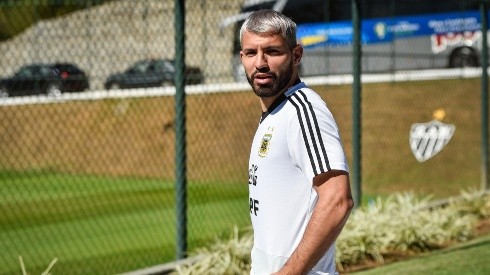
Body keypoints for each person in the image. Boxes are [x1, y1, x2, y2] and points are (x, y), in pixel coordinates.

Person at [240, 9, 354, 275]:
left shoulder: (303, 111)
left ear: (296, 55)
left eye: (273, 51)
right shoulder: (275, 113)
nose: (261, 63)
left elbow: (338, 201)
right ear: (241, 57)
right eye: (251, 53)